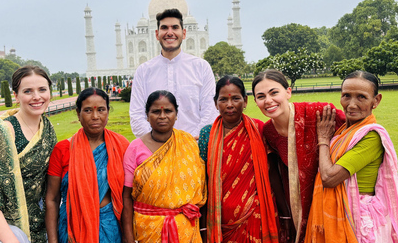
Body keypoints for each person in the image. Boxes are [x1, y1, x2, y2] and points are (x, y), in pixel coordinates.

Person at [0, 65, 57, 243]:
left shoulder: (47, 129)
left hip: (36, 224)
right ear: (16, 95)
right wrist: (12, 240)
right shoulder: (3, 133)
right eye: (28, 91)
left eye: (42, 89)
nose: (37, 97)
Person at [305, 71, 398, 242]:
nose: (351, 104)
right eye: (346, 96)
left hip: (357, 220)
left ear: (376, 101)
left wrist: (323, 139)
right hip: (342, 215)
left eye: (361, 97)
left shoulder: (371, 136)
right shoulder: (344, 132)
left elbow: (329, 177)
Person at [252, 69, 345, 243]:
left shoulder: (317, 113)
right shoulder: (269, 133)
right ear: (255, 101)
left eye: (274, 93)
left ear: (288, 92)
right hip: (299, 207)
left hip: (333, 197)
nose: (268, 101)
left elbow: (356, 132)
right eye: (261, 96)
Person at [198, 75, 278, 242]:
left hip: (255, 215)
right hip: (219, 221)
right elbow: (203, 181)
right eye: (223, 100)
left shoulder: (258, 129)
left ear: (245, 101)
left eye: (236, 98)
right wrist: (203, 224)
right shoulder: (207, 134)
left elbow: (272, 173)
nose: (229, 105)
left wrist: (284, 214)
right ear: (215, 103)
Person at [45, 87, 130, 243]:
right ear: (78, 114)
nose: (95, 116)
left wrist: (128, 236)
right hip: (73, 228)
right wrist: (52, 240)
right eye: (88, 110)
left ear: (108, 112)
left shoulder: (121, 146)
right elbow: (52, 199)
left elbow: (128, 196)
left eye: (101, 110)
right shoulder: (63, 149)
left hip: (110, 228)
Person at [122, 90, 206, 243]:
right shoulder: (135, 149)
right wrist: (128, 237)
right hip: (148, 230)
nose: (162, 116)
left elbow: (200, 188)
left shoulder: (187, 143)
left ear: (176, 114)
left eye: (168, 111)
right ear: (147, 116)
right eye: (155, 112)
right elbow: (126, 197)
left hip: (186, 230)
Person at [129, 8, 218, 138]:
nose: (170, 33)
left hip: (193, 148)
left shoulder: (201, 67)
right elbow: (137, 117)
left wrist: (185, 142)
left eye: (175, 27)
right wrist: (158, 142)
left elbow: (210, 114)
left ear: (184, 33)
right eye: (164, 28)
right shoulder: (143, 71)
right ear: (156, 34)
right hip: (155, 151)